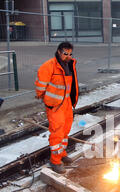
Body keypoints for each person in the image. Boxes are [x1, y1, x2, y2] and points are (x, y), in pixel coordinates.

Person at [35, 42, 79, 173]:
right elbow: (40, 86)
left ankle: (62, 154)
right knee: (57, 132)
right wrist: (46, 99)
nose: (68, 56)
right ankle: (55, 161)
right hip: (55, 104)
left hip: (66, 103)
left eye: (70, 54)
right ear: (59, 52)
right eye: (65, 53)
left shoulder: (70, 64)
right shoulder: (49, 66)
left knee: (65, 130)